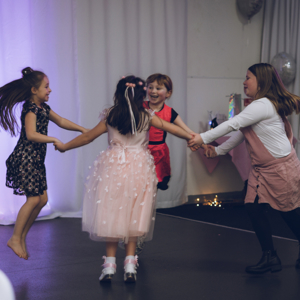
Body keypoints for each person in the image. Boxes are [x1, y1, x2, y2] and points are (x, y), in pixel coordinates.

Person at [54, 75, 193, 283]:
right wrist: (195, 138)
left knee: (112, 215)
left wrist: (65, 146)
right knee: (134, 214)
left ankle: (109, 267)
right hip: (140, 168)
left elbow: (87, 137)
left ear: (118, 94)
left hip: (113, 167)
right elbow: (172, 128)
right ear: (142, 95)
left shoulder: (111, 115)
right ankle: (130, 264)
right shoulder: (147, 115)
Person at [189, 63, 300, 273]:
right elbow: (242, 133)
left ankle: (272, 256)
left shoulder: (263, 105)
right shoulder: (258, 107)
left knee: (289, 212)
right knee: (253, 207)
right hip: (262, 170)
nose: (244, 82)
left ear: (262, 81)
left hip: (280, 169)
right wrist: (218, 150)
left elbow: (234, 124)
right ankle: (270, 257)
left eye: (248, 77)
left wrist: (202, 137)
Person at [0, 67, 88, 260]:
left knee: (42, 200)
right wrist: (53, 139)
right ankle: (15, 237)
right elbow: (31, 134)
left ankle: (21, 236)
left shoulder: (44, 108)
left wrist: (82, 129)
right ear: (34, 90)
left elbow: (62, 121)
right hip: (25, 159)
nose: (49, 90)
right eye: (46, 87)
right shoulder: (30, 108)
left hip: (36, 161)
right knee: (33, 199)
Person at [144, 73, 197, 190]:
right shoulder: (140, 107)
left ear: (168, 93)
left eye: (158, 88)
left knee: (156, 184)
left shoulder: (170, 112)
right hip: (142, 151)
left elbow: (187, 130)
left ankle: (150, 207)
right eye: (150, 87)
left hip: (160, 153)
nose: (153, 91)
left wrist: (203, 143)